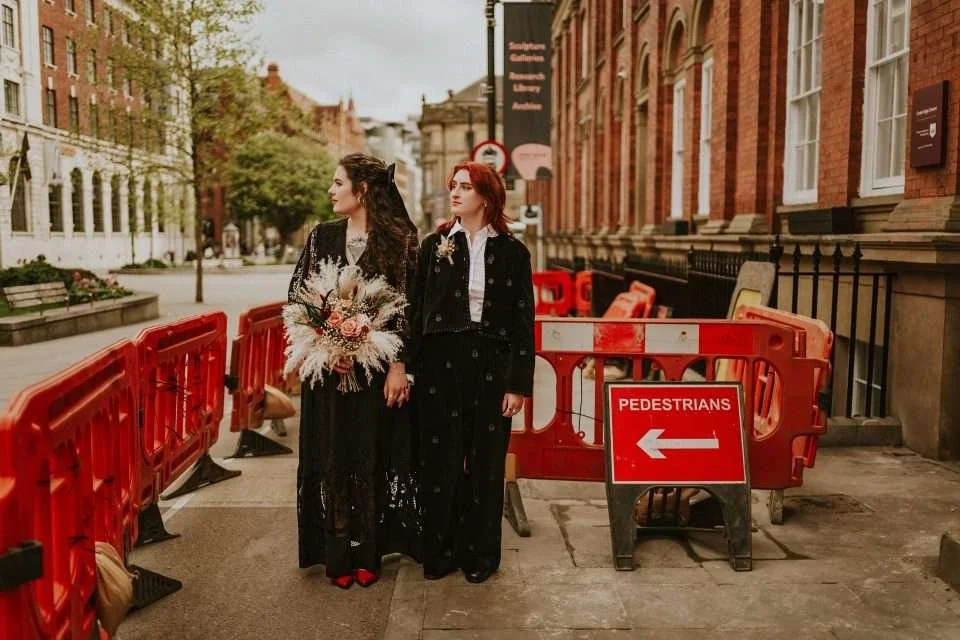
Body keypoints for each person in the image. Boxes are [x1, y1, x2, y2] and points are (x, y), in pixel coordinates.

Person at [288, 153, 421, 589]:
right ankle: (337, 549)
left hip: (378, 373)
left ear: (362, 190)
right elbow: (299, 297)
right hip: (330, 372)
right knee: (332, 455)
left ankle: (369, 549)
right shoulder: (320, 237)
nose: (331, 190)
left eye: (337, 182)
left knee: (371, 455)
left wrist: (398, 366)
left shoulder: (399, 240)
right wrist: (328, 346)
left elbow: (407, 310)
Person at [409, 161, 535, 583]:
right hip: (440, 368)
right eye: (453, 186)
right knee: (440, 461)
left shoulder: (513, 252)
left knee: (485, 464)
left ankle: (480, 556)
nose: (455, 193)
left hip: (491, 367)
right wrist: (406, 368)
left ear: (486, 195)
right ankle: (440, 552)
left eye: (465, 186)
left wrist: (517, 385)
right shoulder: (434, 245)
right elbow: (415, 310)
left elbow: (522, 321)